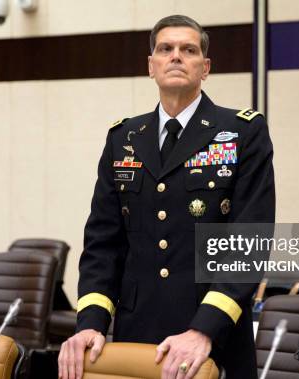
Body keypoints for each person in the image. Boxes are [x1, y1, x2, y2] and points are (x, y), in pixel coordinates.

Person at [58, 15, 275, 379]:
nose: (176, 56)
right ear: (151, 66)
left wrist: (204, 329)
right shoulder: (124, 137)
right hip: (136, 334)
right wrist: (90, 324)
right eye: (166, 49)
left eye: (188, 50)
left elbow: (247, 243)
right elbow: (102, 244)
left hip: (212, 336)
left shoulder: (241, 132)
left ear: (204, 68)